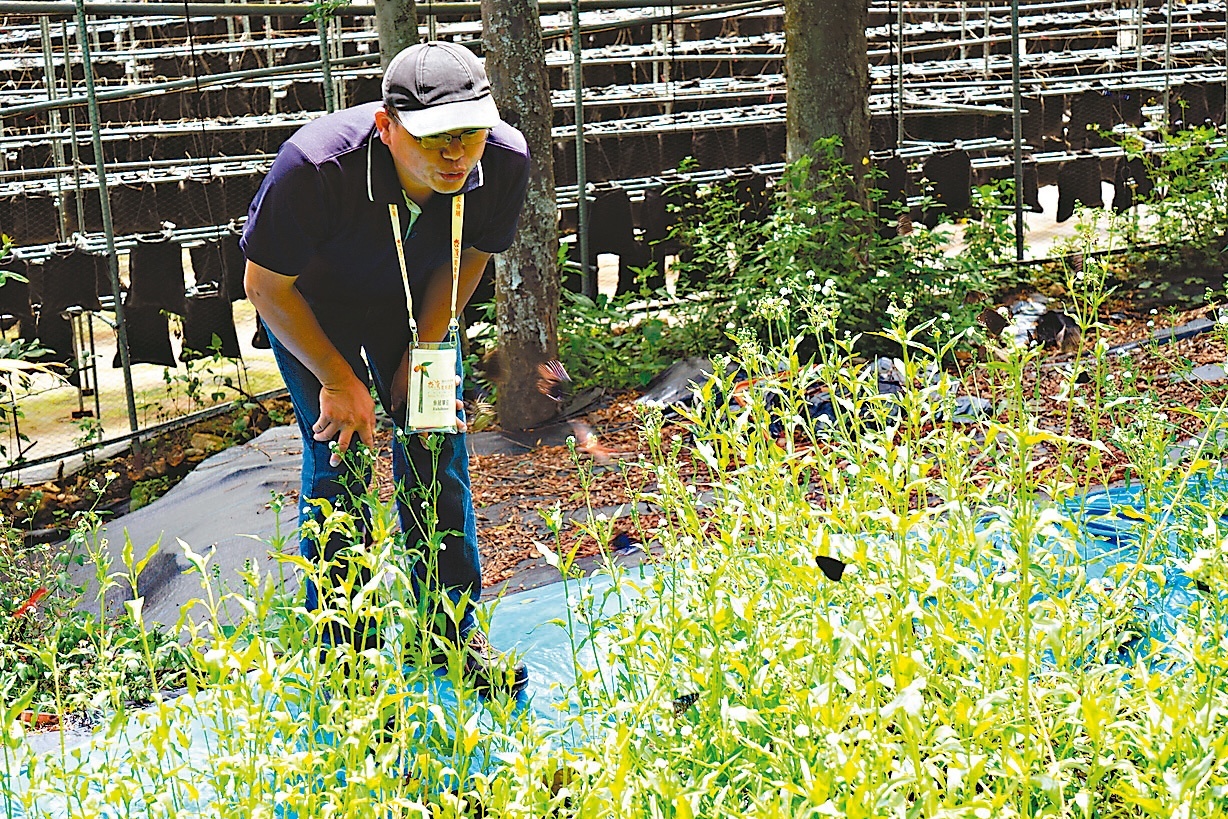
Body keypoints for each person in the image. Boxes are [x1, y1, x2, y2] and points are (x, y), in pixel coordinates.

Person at [241, 41, 529, 696]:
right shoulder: (313, 168)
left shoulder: (504, 158)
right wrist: (341, 382)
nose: (455, 155)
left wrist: (425, 355)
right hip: (314, 311)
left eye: (468, 133)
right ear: (386, 126)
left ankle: (450, 635)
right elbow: (264, 286)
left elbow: (475, 255)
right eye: (434, 138)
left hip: (418, 304)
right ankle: (346, 661)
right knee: (338, 456)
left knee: (435, 442)